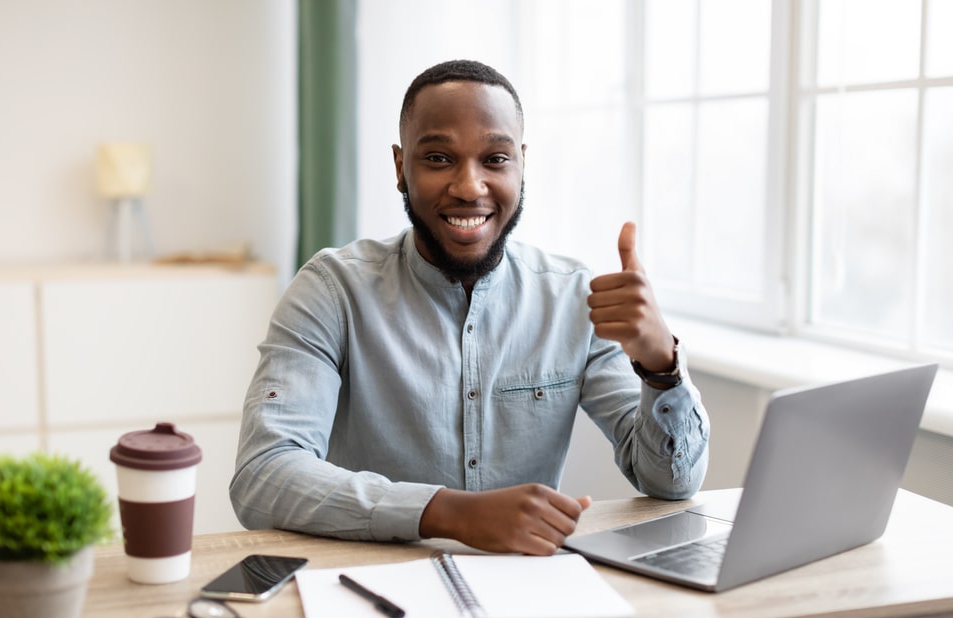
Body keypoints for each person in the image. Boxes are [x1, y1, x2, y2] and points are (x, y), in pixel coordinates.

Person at [230, 59, 709, 556]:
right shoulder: (332, 291)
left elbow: (671, 484)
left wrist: (660, 366)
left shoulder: (572, 298)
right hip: (372, 590)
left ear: (522, 164)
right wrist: (447, 513)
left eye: (495, 159)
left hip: (527, 589)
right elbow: (264, 474)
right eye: (438, 158)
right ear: (400, 167)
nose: (469, 187)